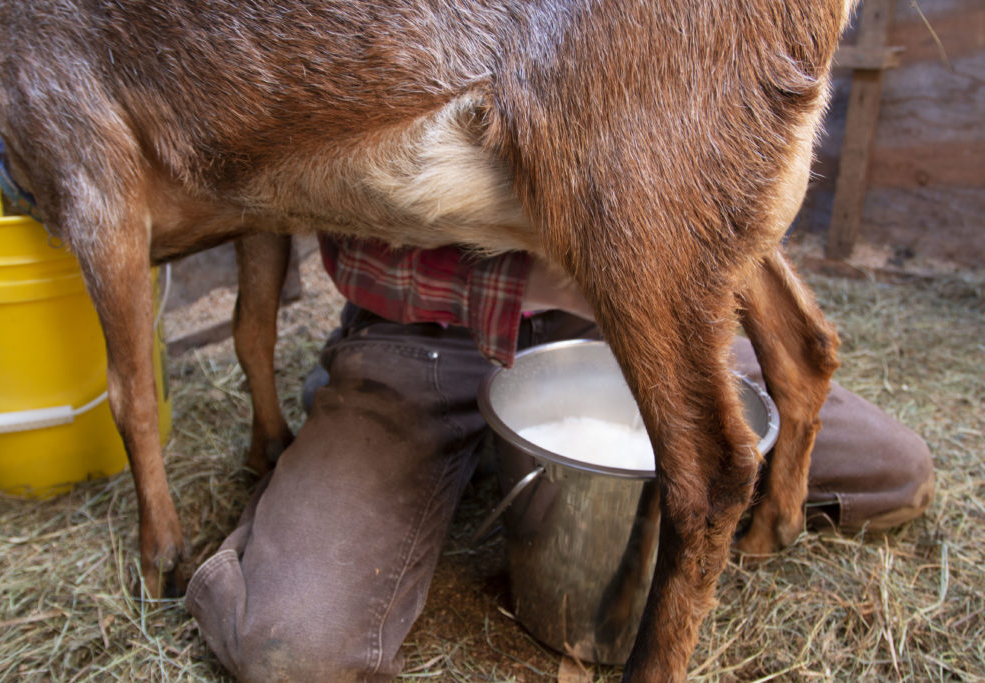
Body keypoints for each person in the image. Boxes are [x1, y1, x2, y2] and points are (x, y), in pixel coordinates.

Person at [185, 235, 934, 682]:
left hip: (621, 323)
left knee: (895, 472)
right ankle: (359, 438)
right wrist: (556, 270)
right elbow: (351, 239)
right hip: (421, 334)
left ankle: (495, 460)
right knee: (292, 651)